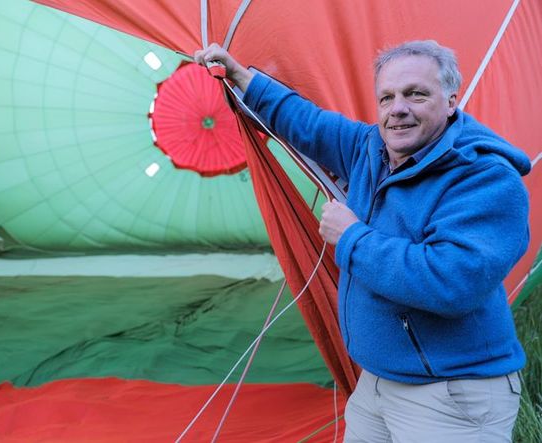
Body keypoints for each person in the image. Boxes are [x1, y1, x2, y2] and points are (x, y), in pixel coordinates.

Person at [195, 40, 530, 442]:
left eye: (415, 94)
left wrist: (352, 237)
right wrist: (242, 77)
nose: (398, 109)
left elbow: (452, 282)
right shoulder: (371, 147)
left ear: (451, 101)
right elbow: (310, 124)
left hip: (450, 393)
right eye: (386, 98)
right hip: (377, 382)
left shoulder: (484, 178)